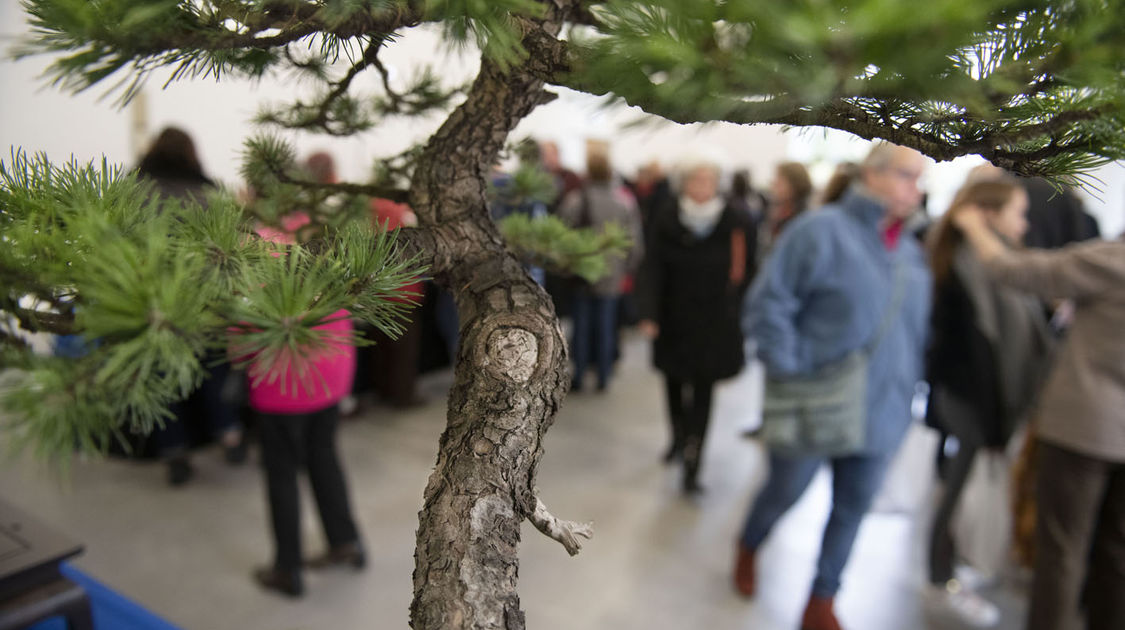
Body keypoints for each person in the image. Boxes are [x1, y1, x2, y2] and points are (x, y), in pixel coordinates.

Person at [733, 143, 932, 630]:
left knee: (852, 509)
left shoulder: (910, 253)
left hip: (883, 411)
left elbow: (915, 334)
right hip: (815, 403)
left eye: (920, 178)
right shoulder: (819, 231)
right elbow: (769, 305)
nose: (916, 188)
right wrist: (792, 370)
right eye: (907, 175)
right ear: (873, 174)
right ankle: (750, 544)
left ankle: (822, 598)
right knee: (785, 491)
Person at [953, 208, 1125, 630]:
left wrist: (975, 225)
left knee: (1061, 551)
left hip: (1085, 428)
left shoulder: (1112, 261)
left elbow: (1012, 270)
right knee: (1117, 554)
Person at [924, 178, 1054, 626]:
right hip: (971, 401)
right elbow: (972, 354)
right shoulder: (967, 266)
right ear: (989, 215)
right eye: (1017, 213)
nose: (1024, 223)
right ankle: (942, 577)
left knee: (960, 487)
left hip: (981, 400)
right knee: (958, 490)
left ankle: (950, 571)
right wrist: (996, 418)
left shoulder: (996, 264)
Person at [245, 158, 366, 598]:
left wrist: (238, 353)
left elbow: (244, 322)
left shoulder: (253, 245)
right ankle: (346, 541)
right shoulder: (321, 234)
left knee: (281, 472)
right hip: (333, 366)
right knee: (324, 455)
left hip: (282, 375)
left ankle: (287, 567)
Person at [636, 156, 756, 494]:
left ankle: (693, 460)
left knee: (703, 388)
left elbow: (749, 269)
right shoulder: (668, 214)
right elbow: (652, 266)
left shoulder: (736, 218)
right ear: (683, 183)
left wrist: (742, 314)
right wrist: (648, 313)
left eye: (708, 179)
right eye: (695, 179)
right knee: (673, 382)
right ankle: (676, 437)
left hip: (715, 319)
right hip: (673, 316)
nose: (702, 186)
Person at [137, 127, 245, 485]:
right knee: (213, 374)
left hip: (155, 305)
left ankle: (175, 453)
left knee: (165, 382)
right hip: (205, 303)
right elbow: (228, 254)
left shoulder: (133, 191)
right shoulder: (208, 194)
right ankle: (229, 437)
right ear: (190, 153)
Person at [557, 144, 644, 393]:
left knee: (581, 326)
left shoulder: (575, 200)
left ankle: (580, 373)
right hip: (613, 274)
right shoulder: (624, 201)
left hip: (583, 272)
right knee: (606, 326)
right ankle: (604, 376)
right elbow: (634, 241)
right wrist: (628, 268)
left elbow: (561, 235)